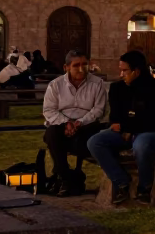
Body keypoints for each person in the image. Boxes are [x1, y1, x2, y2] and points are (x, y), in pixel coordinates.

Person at [88, 50, 155, 206]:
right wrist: (120, 126)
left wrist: (130, 128)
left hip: (154, 133)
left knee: (141, 144)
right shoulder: (117, 88)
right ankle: (121, 182)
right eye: (120, 70)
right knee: (95, 142)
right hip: (124, 132)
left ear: (137, 71)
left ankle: (144, 188)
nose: (121, 74)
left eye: (125, 70)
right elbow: (115, 117)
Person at [42, 50, 108, 195]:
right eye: (76, 65)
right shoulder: (56, 85)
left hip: (87, 125)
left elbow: (98, 110)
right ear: (66, 68)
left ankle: (62, 176)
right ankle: (67, 177)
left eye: (84, 64)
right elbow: (49, 110)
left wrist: (79, 123)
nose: (81, 69)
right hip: (62, 125)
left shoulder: (97, 84)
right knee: (52, 134)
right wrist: (67, 123)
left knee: (77, 142)